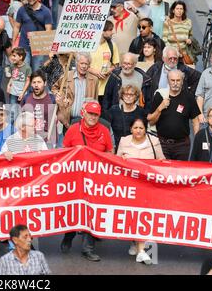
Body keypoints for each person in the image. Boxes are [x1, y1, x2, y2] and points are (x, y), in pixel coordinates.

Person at [60, 101, 113, 261]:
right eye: (90, 113)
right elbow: (64, 152)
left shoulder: (104, 131)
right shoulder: (73, 129)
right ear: (84, 113)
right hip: (75, 179)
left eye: (96, 114)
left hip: (95, 181)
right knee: (74, 210)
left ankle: (87, 248)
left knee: (92, 211)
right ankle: (68, 236)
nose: (93, 117)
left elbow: (110, 152)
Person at [116, 118, 164, 264]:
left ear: (145, 129)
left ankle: (144, 251)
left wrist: (160, 163)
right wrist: (121, 160)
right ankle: (136, 244)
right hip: (130, 187)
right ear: (131, 129)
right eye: (135, 127)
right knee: (133, 216)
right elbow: (115, 162)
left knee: (147, 217)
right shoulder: (124, 141)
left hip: (149, 187)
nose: (138, 130)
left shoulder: (154, 141)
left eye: (141, 128)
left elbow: (162, 160)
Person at [147, 69, 201, 160]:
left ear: (182, 81)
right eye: (172, 80)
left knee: (180, 172)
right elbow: (151, 121)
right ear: (168, 81)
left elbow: (195, 120)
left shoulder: (189, 97)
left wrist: (196, 139)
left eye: (178, 80)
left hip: (182, 145)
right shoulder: (160, 95)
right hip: (162, 143)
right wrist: (160, 108)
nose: (175, 83)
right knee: (163, 172)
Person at [144, 46, 201, 113]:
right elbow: (145, 81)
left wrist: (189, 94)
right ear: (163, 58)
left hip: (177, 108)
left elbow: (199, 77)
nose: (173, 60)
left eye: (175, 58)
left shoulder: (183, 69)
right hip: (157, 107)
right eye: (170, 58)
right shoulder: (156, 68)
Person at [52, 52, 98, 130]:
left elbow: (95, 100)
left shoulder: (94, 80)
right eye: (81, 63)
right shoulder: (66, 76)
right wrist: (59, 96)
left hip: (86, 120)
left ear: (89, 65)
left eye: (86, 64)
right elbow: (55, 88)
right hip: (69, 119)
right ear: (76, 63)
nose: (84, 66)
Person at [12, 0, 53, 72]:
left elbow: (48, 31)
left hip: (38, 47)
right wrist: (13, 44)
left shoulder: (46, 11)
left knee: (36, 72)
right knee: (23, 72)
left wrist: (39, 42)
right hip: (23, 46)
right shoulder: (22, 10)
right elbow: (16, 27)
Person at [105, 85, 146, 149]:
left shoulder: (141, 112)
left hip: (135, 148)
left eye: (131, 94)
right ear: (122, 96)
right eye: (126, 94)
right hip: (117, 148)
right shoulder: (114, 110)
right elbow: (106, 130)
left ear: (135, 97)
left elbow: (143, 131)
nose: (128, 96)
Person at [88, 20, 120, 104]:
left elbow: (116, 64)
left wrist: (110, 70)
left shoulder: (112, 45)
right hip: (90, 88)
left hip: (106, 89)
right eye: (110, 30)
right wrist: (94, 71)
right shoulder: (88, 45)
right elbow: (80, 64)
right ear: (102, 31)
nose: (113, 32)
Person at [22, 70, 56, 143]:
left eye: (39, 82)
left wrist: (62, 104)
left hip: (48, 140)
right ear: (31, 84)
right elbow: (21, 119)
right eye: (34, 82)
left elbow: (62, 118)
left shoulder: (52, 99)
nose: (36, 85)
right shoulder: (26, 98)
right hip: (30, 140)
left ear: (45, 83)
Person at [6, 47, 32, 121]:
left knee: (22, 110)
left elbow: (27, 81)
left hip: (22, 93)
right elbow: (12, 77)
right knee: (13, 110)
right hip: (13, 92)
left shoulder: (27, 68)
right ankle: (12, 127)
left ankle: (20, 125)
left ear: (20, 57)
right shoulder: (12, 66)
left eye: (14, 56)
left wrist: (23, 93)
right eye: (12, 55)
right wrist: (8, 85)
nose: (12, 57)